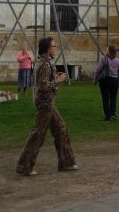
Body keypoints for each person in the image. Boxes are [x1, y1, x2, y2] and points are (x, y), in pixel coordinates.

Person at [15, 36, 78, 176]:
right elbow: (43, 85)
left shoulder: (44, 62)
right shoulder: (44, 64)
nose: (56, 48)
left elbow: (43, 81)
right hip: (45, 103)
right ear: (48, 49)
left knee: (61, 129)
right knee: (38, 134)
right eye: (54, 46)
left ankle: (66, 163)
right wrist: (57, 81)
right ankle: (24, 166)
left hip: (48, 102)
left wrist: (55, 77)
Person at [93, 44, 119, 121]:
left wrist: (95, 80)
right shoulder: (118, 61)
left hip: (105, 80)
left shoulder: (103, 59)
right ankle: (113, 114)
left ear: (109, 51)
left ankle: (108, 116)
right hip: (115, 81)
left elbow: (98, 70)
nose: (105, 51)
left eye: (107, 50)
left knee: (105, 98)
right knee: (113, 98)